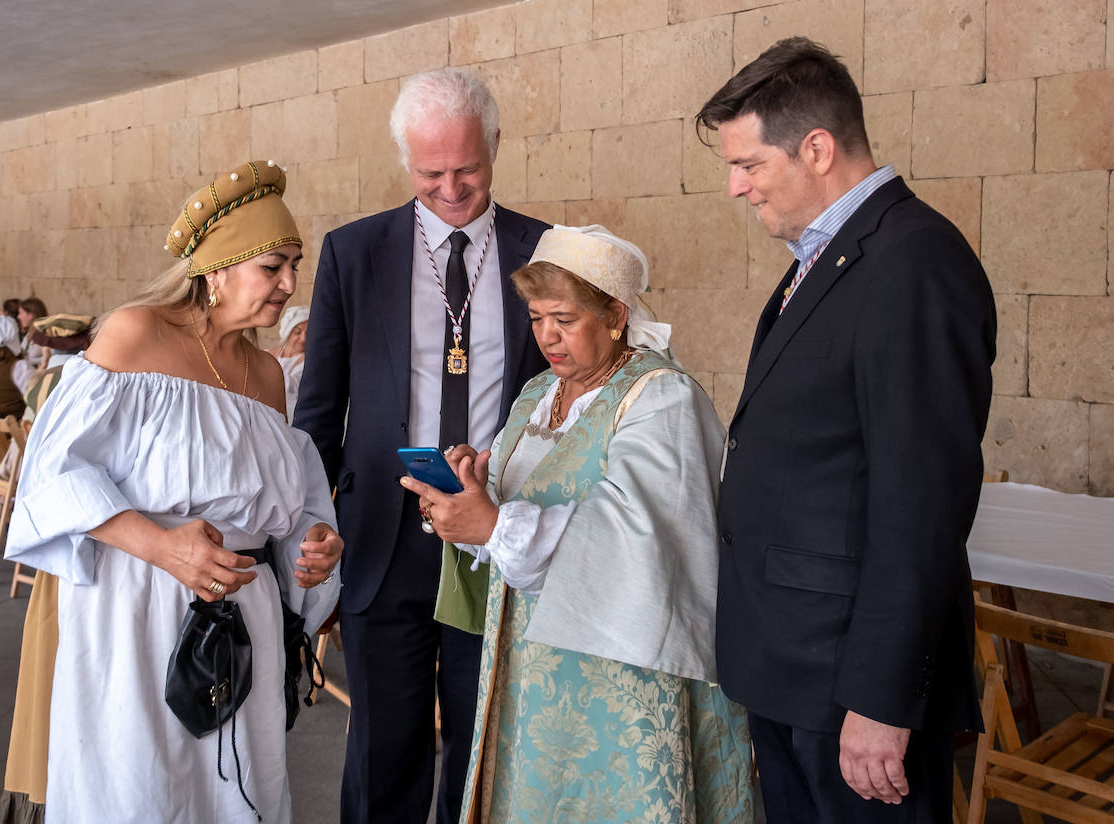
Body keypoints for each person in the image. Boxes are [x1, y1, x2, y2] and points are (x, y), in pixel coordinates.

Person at [696, 37, 995, 824]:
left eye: (750, 164)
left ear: (818, 148)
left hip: (847, 688)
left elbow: (920, 508)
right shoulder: (824, 258)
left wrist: (879, 701)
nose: (736, 187)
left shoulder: (914, 261)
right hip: (793, 667)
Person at [2, 160, 343, 824]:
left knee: (240, 789)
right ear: (219, 268)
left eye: (295, 265)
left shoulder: (269, 375)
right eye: (272, 266)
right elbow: (52, 471)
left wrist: (313, 545)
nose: (290, 284)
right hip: (137, 608)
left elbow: (280, 506)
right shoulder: (136, 334)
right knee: (142, 789)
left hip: (246, 614)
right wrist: (161, 546)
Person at [402, 225, 755, 823]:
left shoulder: (661, 398)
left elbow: (640, 539)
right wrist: (469, 491)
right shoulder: (539, 392)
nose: (546, 337)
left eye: (564, 318)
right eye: (537, 318)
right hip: (529, 664)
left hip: (620, 675)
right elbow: (514, 500)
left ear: (616, 314)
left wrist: (494, 526)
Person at [294, 67, 549, 824]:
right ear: (406, 161)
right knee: (383, 753)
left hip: (497, 534)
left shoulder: (544, 250)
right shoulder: (354, 252)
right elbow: (318, 411)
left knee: (484, 752)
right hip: (384, 539)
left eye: (467, 167)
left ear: (495, 147)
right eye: (429, 171)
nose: (450, 187)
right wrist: (314, 520)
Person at [266, 304, 307, 420]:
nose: (303, 338)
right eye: (297, 333)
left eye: (308, 334)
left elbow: (296, 384)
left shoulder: (309, 360)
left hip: (293, 414)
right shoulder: (267, 353)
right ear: (288, 332)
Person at [17, 297, 48, 367]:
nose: (18, 317)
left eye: (20, 313)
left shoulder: (46, 335)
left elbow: (50, 357)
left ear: (30, 315)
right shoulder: (29, 334)